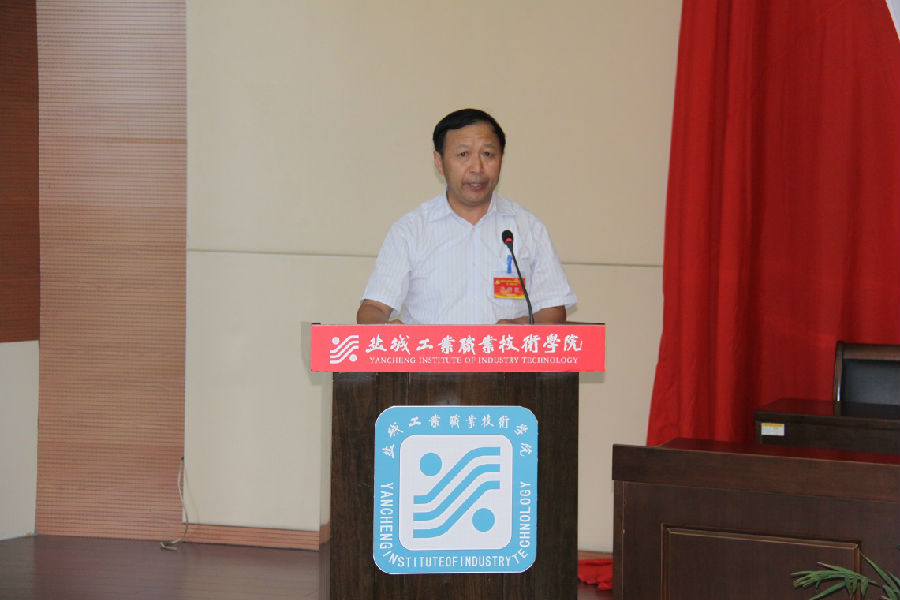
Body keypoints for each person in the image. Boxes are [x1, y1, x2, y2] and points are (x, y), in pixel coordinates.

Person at [357, 108, 576, 325]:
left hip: (505, 350)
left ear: (501, 159)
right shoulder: (411, 230)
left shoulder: (527, 228)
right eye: (463, 155)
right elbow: (374, 308)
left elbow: (553, 308)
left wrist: (519, 326)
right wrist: (384, 330)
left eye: (487, 154)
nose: (477, 168)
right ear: (439, 161)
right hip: (433, 350)